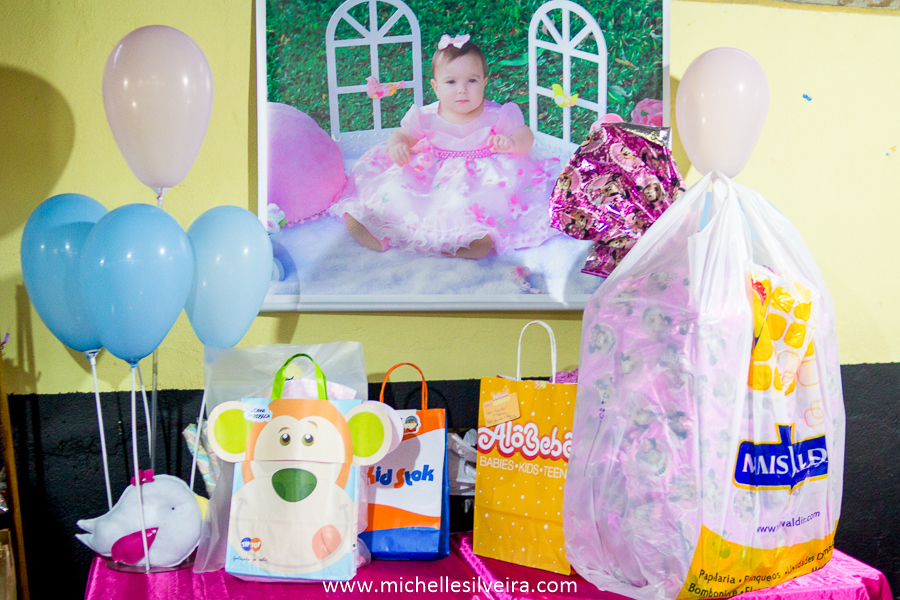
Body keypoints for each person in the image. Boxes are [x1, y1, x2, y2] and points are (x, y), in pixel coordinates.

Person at [329, 34, 561, 259]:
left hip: (481, 178)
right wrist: (397, 146)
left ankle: (473, 239)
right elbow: (402, 135)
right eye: (451, 82)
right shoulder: (426, 116)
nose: (462, 89)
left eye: (472, 81)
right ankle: (374, 226)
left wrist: (512, 143)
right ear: (435, 86)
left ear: (484, 83)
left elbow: (524, 135)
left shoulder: (497, 115)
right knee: (398, 191)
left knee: (469, 204)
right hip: (433, 175)